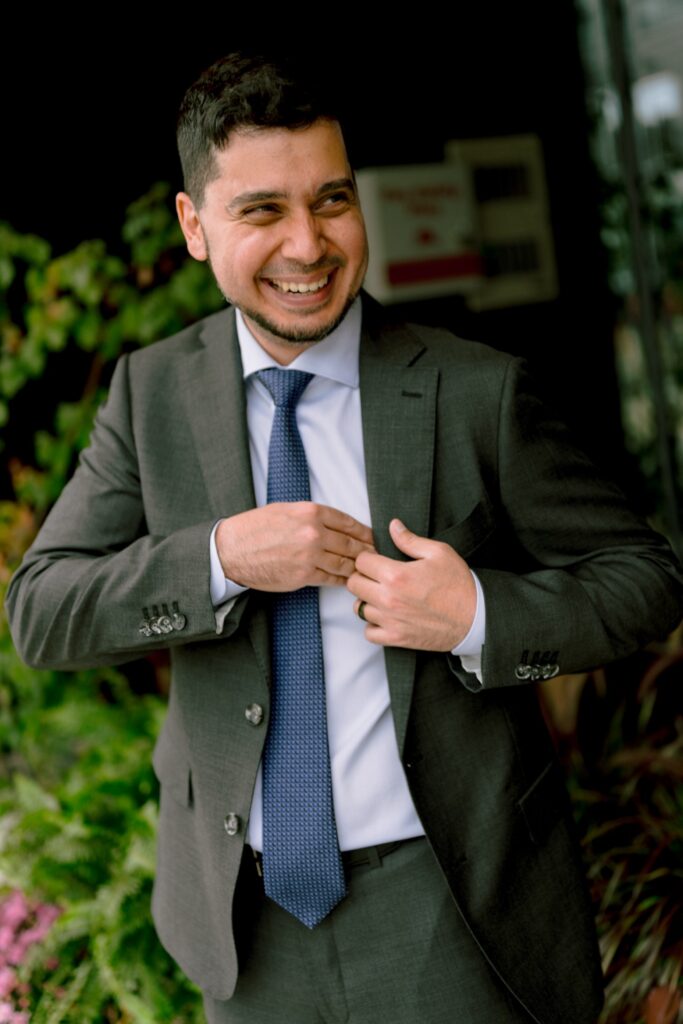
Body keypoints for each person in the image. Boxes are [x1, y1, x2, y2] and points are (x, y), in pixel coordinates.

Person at [6, 53, 683, 1024]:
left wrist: (476, 614)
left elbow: (645, 578)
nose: (307, 243)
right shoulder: (150, 397)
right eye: (261, 212)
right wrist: (219, 559)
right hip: (249, 928)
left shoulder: (472, 393)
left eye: (330, 200)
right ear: (194, 227)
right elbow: (42, 612)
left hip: (448, 906)